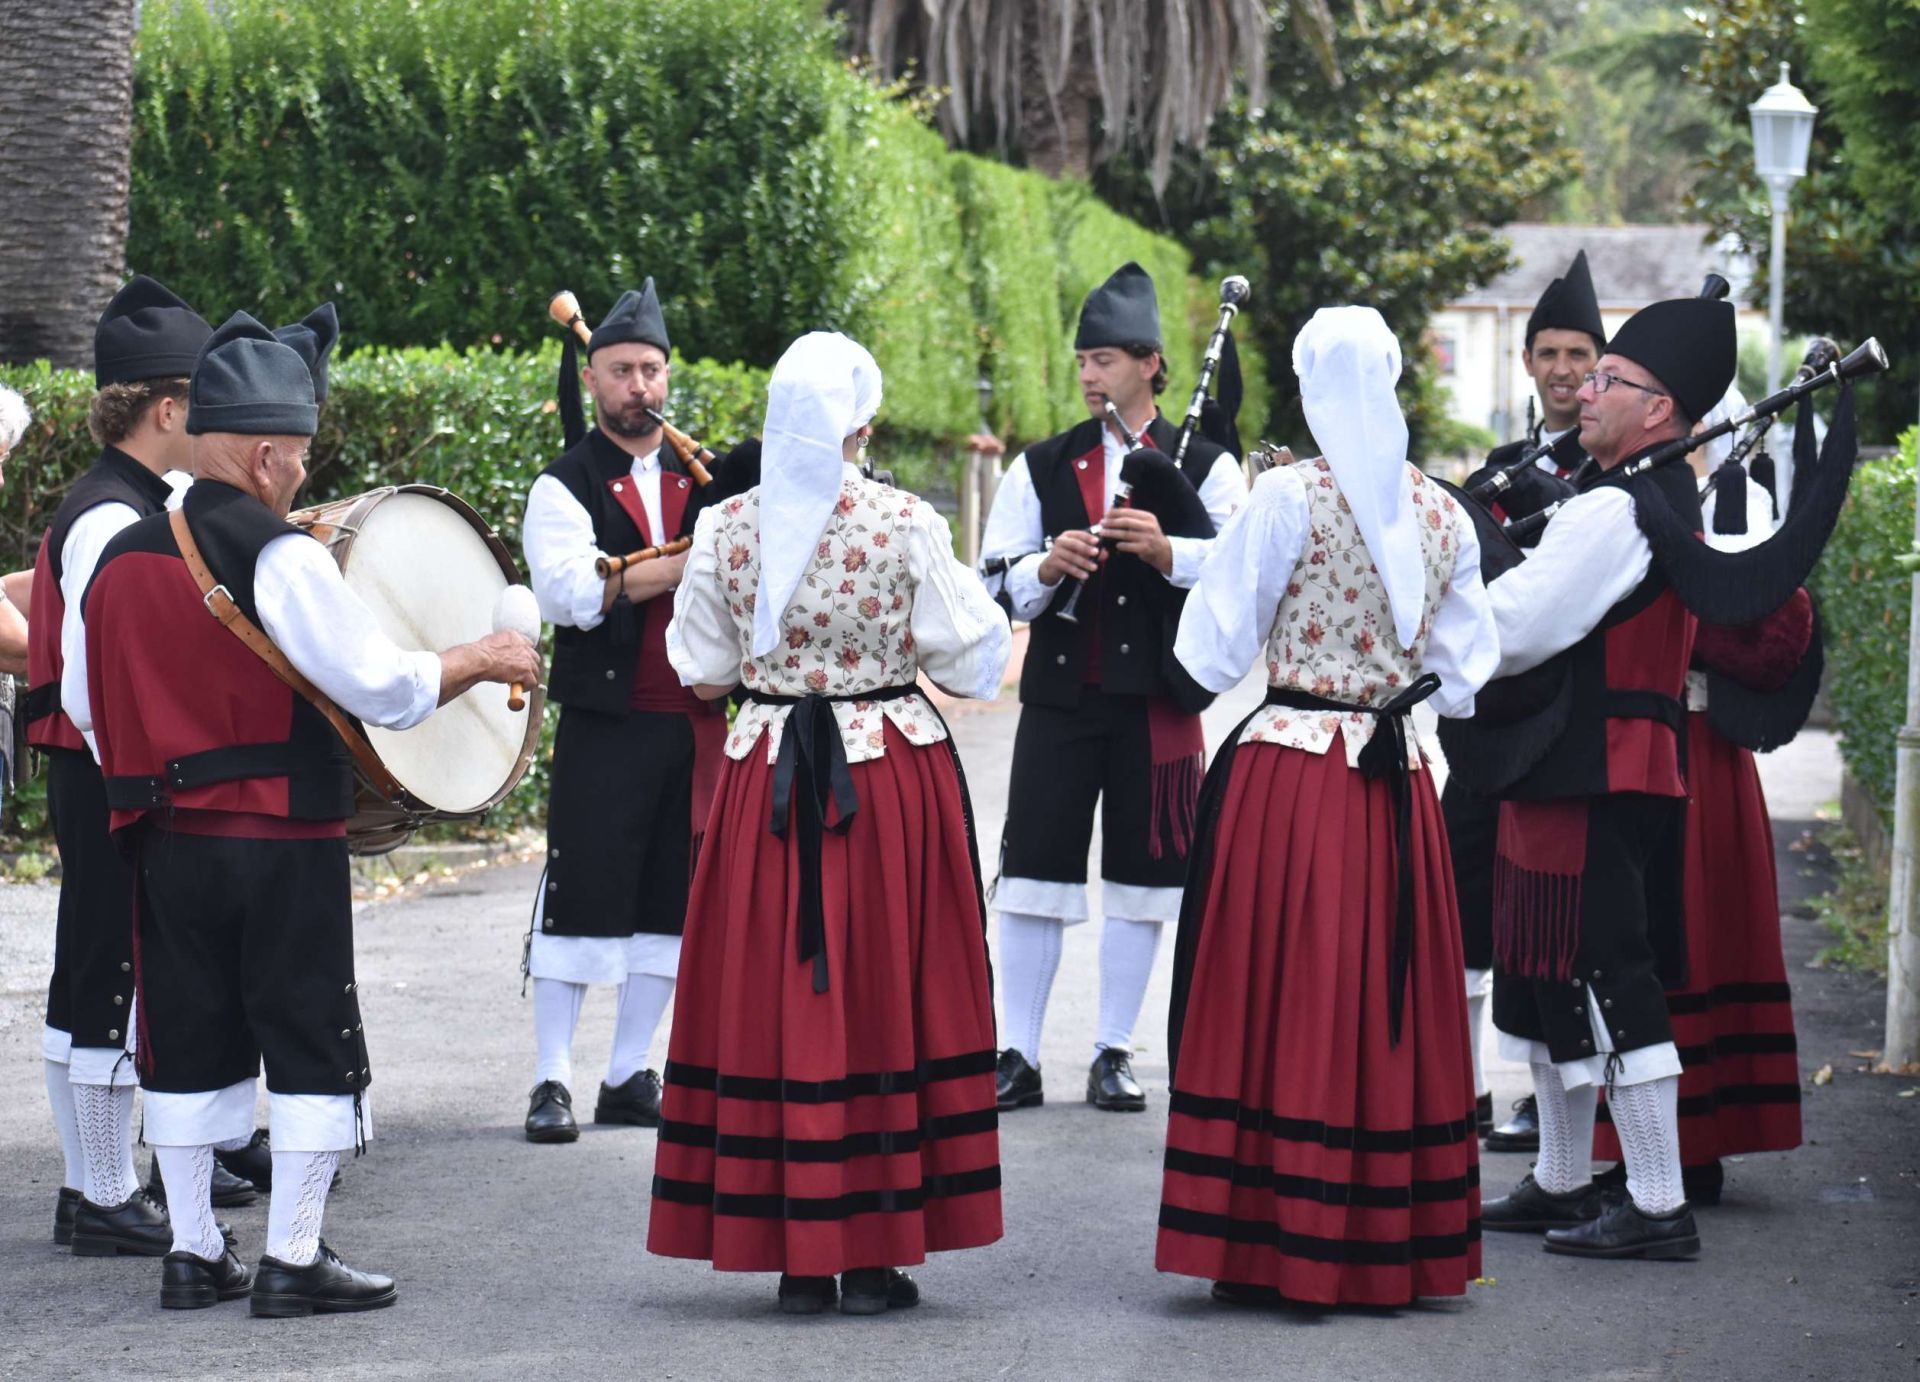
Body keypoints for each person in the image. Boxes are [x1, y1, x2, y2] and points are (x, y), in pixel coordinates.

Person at [71, 308, 541, 1314]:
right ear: (267, 448)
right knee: (307, 1032)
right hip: (280, 836)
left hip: (163, 838)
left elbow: (80, 704)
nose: (301, 475)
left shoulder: (116, 556)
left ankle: (195, 1250)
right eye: (299, 455)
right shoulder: (277, 554)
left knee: (185, 1033)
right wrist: (483, 657)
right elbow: (386, 687)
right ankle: (292, 1254)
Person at [650, 331, 1009, 1316]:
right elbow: (974, 660)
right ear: (862, 419)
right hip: (885, 775)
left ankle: (793, 1250)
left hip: (766, 766)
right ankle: (873, 1249)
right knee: (884, 988)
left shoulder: (725, 526)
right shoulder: (905, 521)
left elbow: (700, 667)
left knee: (774, 993)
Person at [1156, 305, 1496, 1305]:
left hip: (1291, 774)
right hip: (1396, 778)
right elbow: (1468, 675)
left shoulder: (1285, 497)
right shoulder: (1445, 512)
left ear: (1306, 387)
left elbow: (1209, 653)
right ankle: (1380, 1235)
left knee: (1281, 991)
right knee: (1379, 1000)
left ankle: (1268, 1238)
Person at [1466, 294, 1739, 1261]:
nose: (1585, 388)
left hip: (1593, 765)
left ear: (1660, 409)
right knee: (1547, 969)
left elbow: (1520, 624)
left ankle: (1659, 1203)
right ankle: (1563, 1175)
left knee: (1606, 975)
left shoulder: (1619, 506)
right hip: (1575, 763)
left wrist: (1436, 602)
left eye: (1609, 379)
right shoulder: (1638, 493)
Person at [978, 262, 1245, 1115]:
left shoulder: (1207, 464)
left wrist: (1171, 552)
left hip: (1159, 702)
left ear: (1151, 363)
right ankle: (1016, 1052)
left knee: (1144, 881)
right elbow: (994, 578)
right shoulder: (1042, 463)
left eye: (1103, 360)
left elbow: (1243, 572)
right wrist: (1045, 568)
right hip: (1060, 696)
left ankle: (1112, 1049)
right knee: (1034, 876)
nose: (1088, 375)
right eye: (1083, 360)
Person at [25, 276, 252, 1259]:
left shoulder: (123, 499)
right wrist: (141, 775)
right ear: (168, 409)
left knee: (92, 965)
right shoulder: (112, 516)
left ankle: (95, 1183)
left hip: (106, 768)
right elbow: (84, 673)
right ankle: (103, 1190)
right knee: (107, 971)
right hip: (115, 771)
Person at [518, 279, 727, 1142]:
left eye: (651, 370)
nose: (639, 386)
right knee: (582, 891)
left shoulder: (703, 477)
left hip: (696, 721)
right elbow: (570, 594)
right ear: (593, 380)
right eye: (620, 371)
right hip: (609, 719)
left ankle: (628, 1071)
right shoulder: (562, 485)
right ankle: (551, 1079)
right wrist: (677, 565)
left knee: (668, 898)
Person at [1589, 390, 1806, 1201]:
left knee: (1697, 933)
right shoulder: (1621, 492)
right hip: (1636, 732)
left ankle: (1699, 1142)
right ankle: (1634, 1149)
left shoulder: (1745, 498)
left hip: (1702, 749)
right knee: (1633, 933)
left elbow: (1770, 628)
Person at [1446, 249, 1603, 1152]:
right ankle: (1458, 1088)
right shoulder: (1498, 469)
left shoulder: (1615, 469)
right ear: (1530, 363)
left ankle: (1557, 1109)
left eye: (1579, 353)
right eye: (1547, 352)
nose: (1562, 369)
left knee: (1555, 921)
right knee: (1460, 889)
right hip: (1490, 718)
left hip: (1567, 723)